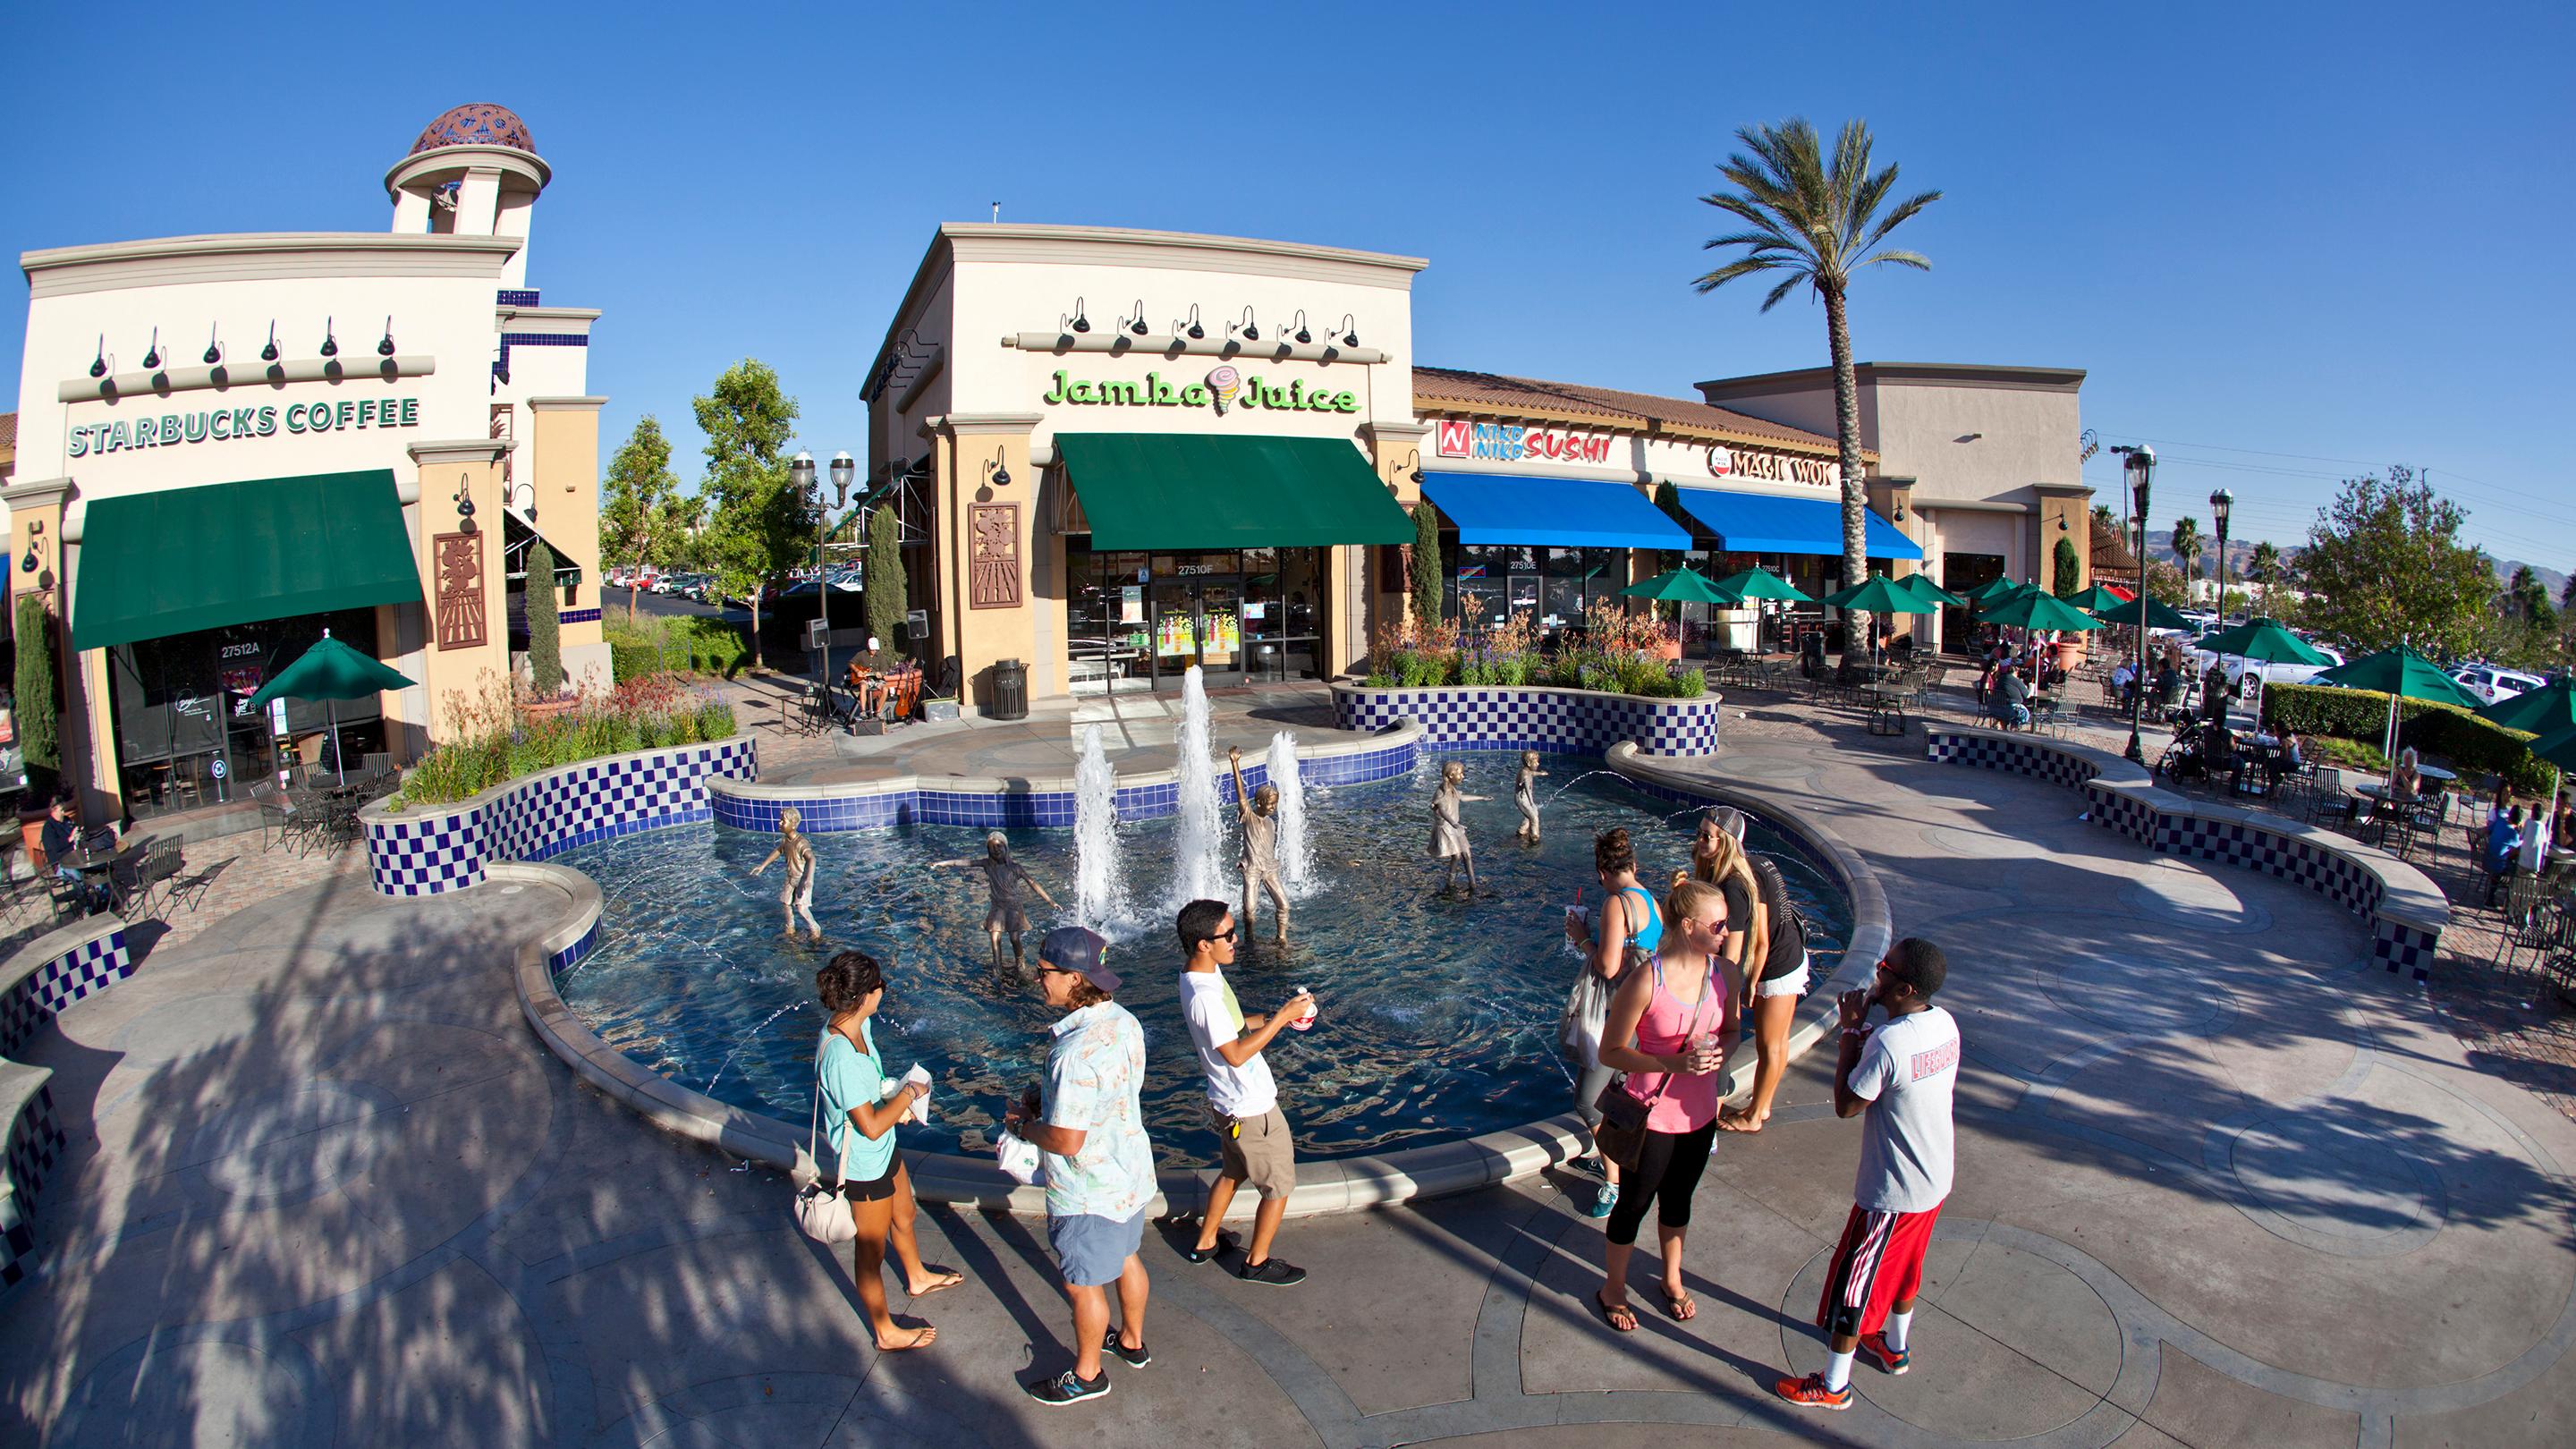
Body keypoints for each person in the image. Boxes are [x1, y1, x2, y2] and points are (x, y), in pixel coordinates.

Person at [1777, 938, 1961, 1411]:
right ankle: (1894, 1348)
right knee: (1905, 1271)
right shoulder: (1944, 1023)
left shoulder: (1890, 1041)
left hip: (1894, 1193)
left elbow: (1847, 1105)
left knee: (1852, 1287)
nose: (1875, 975)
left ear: (1904, 987)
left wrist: (1851, 1033)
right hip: (1935, 1177)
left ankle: (1835, 1386)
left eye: (1883, 969)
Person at [1005, 927, 1157, 1407]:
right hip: (1129, 1171)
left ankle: (1088, 1374)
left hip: (1087, 1190)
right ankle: (1131, 1342)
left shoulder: (1072, 1054)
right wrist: (1047, 1098)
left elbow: (1068, 1141)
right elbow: (1114, 1090)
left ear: (1074, 979)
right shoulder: (1125, 1022)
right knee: (1128, 1256)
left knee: (1083, 1284)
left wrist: (1025, 1127)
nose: (1037, 978)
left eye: (1044, 971)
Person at [1590, 878, 1735, 1334]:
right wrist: (1671, 1061)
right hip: (1652, 1116)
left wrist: (1719, 1054)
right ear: (1690, 926)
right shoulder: (1646, 979)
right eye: (1720, 924)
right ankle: (1613, 1287)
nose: (1728, 932)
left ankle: (1671, 1278)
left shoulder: (1725, 974)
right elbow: (1610, 1052)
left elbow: (1731, 1030)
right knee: (1633, 1204)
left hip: (1700, 1114)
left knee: (1679, 1201)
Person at [813, 951, 962, 1352]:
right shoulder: (842, 1054)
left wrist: (895, 1099)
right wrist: (910, 1095)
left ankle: (915, 1275)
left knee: (905, 1212)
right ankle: (884, 1331)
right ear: (864, 995)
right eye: (879, 986)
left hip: (883, 1151)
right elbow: (872, 1126)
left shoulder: (859, 1027)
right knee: (871, 1250)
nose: (883, 992)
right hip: (863, 1163)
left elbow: (873, 1092)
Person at [1174, 898, 1311, 1286]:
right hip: (1251, 1109)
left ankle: (1205, 1242)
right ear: (1204, 943)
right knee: (1278, 1186)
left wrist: (1271, 1018)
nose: (1236, 940)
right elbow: (1234, 1054)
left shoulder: (1196, 976)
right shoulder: (1205, 996)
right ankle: (1257, 1262)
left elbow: (1232, 1026)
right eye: (1228, 935)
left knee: (1233, 1172)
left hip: (1226, 1104)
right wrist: (1283, 1019)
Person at [1562, 828, 1664, 1221]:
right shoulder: (1649, 898)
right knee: (1621, 1094)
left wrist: (1581, 938)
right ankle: (1621, 1164)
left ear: (1602, 872)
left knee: (1587, 1100)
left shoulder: (1615, 905)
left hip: (1616, 1014)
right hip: (1644, 1012)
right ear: (1633, 866)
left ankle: (1613, 1180)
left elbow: (1608, 966)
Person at [1722, 855, 1809, 1133]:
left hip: (1778, 967)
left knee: (1769, 1045)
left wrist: (1750, 983)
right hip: (1792, 955)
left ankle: (1755, 1115)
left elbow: (1761, 941)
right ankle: (1763, 1105)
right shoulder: (1760, 863)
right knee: (1778, 1041)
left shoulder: (1744, 878)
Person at [930, 832, 1058, 974]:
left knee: (1014, 938)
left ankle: (1020, 962)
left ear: (1005, 847)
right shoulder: (987, 865)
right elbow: (964, 863)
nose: (996, 850)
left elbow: (1032, 883)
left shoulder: (1015, 868)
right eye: (992, 848)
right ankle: (997, 966)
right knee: (994, 936)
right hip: (998, 907)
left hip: (1013, 907)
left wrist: (1050, 900)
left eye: (998, 846)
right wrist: (942, 863)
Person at [1225, 747, 1290, 944]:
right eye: (1270, 804)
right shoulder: (1249, 818)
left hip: (1269, 869)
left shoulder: (1271, 823)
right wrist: (1234, 763)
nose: (1273, 807)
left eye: (1275, 804)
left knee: (1284, 905)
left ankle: (1281, 938)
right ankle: (1250, 937)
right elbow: (1241, 796)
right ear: (1260, 802)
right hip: (1252, 869)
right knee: (1250, 909)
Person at [750, 807, 823, 941]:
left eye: (783, 821)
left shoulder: (801, 843)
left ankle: (815, 929)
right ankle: (790, 929)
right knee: (786, 904)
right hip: (790, 878)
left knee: (801, 908)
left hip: (802, 880)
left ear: (793, 824)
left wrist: (808, 880)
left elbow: (812, 858)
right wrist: (763, 866)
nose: (779, 823)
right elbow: (778, 850)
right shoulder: (785, 840)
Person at [40, 795, 109, 913]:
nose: (64, 812)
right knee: (77, 875)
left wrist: (78, 834)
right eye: (61, 810)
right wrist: (70, 839)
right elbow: (55, 848)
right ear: (54, 809)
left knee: (99, 867)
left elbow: (75, 834)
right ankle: (88, 904)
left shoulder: (66, 820)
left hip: (77, 857)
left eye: (64, 810)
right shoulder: (49, 828)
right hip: (60, 863)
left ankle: (104, 898)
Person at [1428, 759, 1486, 892]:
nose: (1463, 776)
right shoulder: (1441, 791)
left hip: (1456, 827)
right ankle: (1450, 883)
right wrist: (1453, 823)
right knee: (1457, 855)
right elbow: (1442, 809)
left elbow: (1462, 797)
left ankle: (1473, 884)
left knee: (1467, 854)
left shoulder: (1453, 789)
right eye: (1460, 774)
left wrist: (1481, 797)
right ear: (1450, 775)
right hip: (1447, 827)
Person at [2484, 802, 2524, 906]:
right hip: (2498, 865)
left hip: (2486, 859)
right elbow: (2519, 848)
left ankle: (2491, 895)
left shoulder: (2500, 821)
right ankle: (2508, 903)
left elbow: (2488, 829)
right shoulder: (2513, 834)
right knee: (2515, 868)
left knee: (2502, 857)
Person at [1513, 750, 1547, 845]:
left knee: (1532, 813)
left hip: (1525, 799)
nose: (1538, 763)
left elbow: (1532, 773)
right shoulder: (1524, 774)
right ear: (1528, 763)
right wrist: (1532, 803)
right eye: (1535, 762)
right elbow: (1528, 790)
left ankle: (1521, 831)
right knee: (1534, 818)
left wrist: (1540, 774)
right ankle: (1535, 840)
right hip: (1522, 800)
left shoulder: (1527, 770)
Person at [1996, 665, 2032, 729]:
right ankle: (2013, 728)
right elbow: (2027, 695)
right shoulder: (2017, 681)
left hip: (1995, 707)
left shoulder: (2000, 678)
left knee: (2013, 709)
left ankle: (2004, 726)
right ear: (2016, 672)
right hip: (2010, 708)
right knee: (2024, 714)